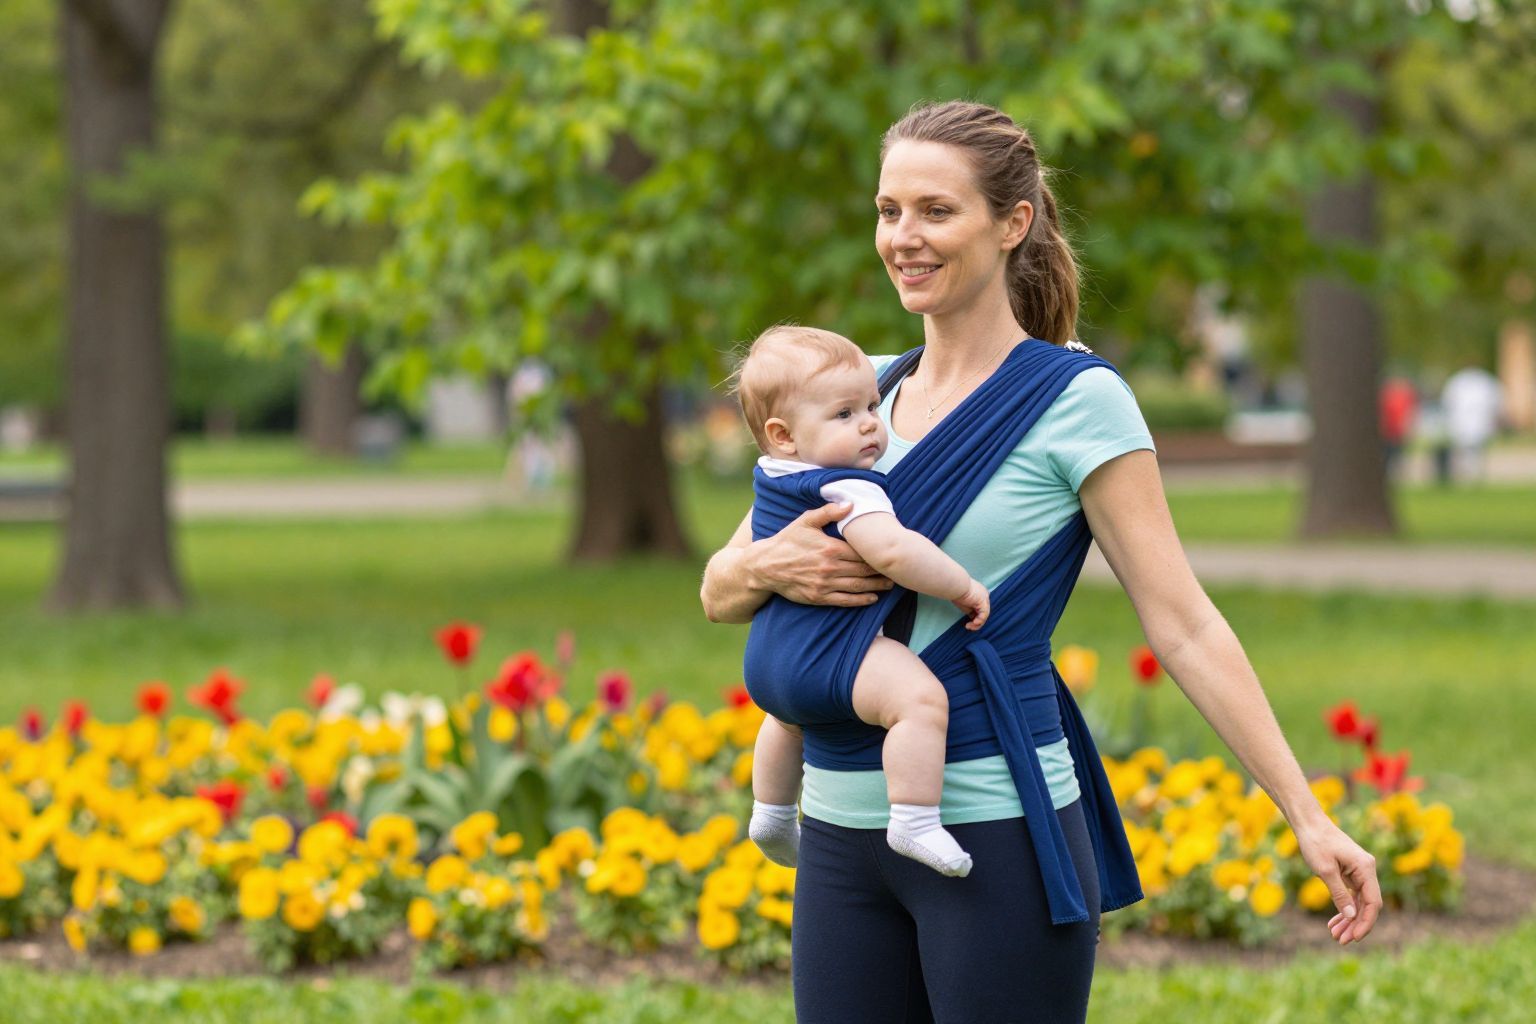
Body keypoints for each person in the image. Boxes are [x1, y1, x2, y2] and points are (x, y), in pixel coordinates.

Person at [700, 100, 1383, 1023]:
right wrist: (770, 567)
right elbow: (720, 587)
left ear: (1012, 223)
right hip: (835, 834)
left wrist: (1307, 814)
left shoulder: (1078, 402)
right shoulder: (856, 397)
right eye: (889, 210)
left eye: (936, 211)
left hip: (996, 831)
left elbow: (1183, 623)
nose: (903, 236)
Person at [730, 324, 991, 878]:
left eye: (872, 405)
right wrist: (962, 586)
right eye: (844, 414)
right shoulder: (848, 487)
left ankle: (771, 812)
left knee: (787, 720)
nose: (870, 423)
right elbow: (894, 551)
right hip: (831, 656)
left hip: (769, 660)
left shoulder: (771, 477)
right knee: (920, 701)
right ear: (783, 434)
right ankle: (914, 819)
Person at [1441, 363, 1503, 482]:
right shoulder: (1460, 381)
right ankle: (1465, 472)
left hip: (1477, 422)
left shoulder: (1482, 381)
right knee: (1464, 450)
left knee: (1475, 451)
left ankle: (1474, 473)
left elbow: (1495, 401)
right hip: (1463, 422)